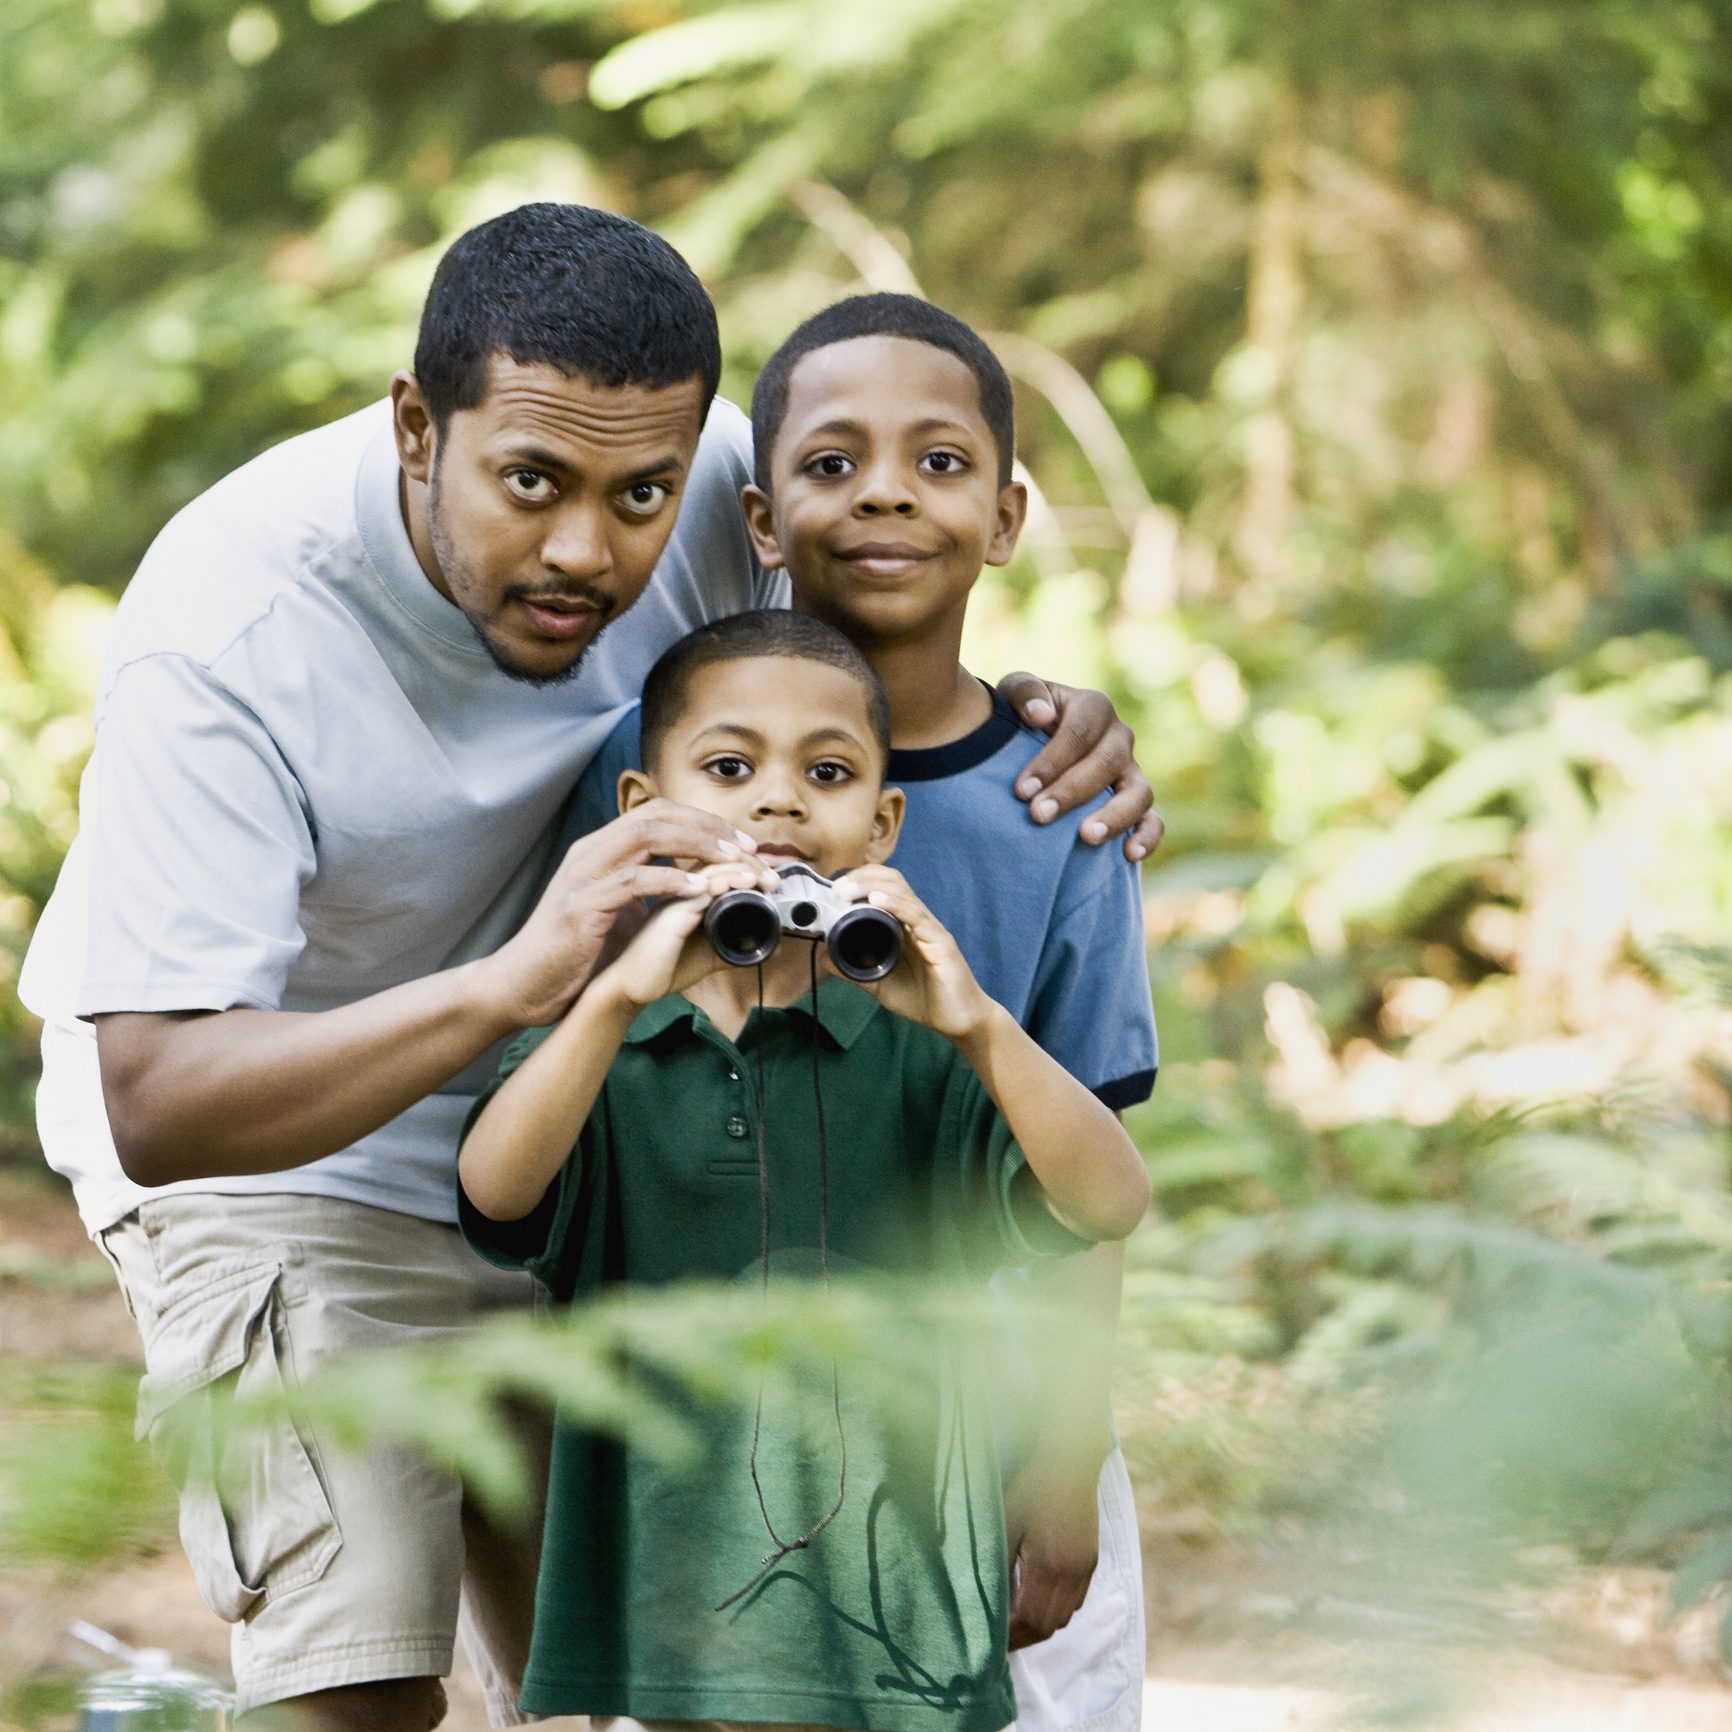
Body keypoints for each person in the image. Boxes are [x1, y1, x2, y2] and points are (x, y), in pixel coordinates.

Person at [18, 203, 1161, 1732]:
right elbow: (158, 1091)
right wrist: (522, 980)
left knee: (657, 1678)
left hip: (615, 1147)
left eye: (642, 494)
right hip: (296, 1156)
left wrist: (1042, 723)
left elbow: (865, 649)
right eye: (532, 483)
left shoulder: (706, 481)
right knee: (357, 1689)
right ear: (418, 427)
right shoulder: (234, 623)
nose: (587, 549)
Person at [564, 294, 1156, 1732]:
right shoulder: (649, 789)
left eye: (939, 463)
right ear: (762, 518)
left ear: (1008, 516)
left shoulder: (1053, 810)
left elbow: (1093, 1184)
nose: (886, 489)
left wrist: (1067, 1462)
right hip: (719, 1430)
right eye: (834, 465)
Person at [458, 609, 1154, 1730]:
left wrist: (979, 1028)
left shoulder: (925, 1057)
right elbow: (497, 1195)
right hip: (668, 1633)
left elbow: (1112, 1198)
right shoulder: (601, 1055)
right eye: (729, 767)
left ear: (883, 825)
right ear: (643, 809)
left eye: (825, 773)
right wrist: (620, 995)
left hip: (900, 1634)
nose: (778, 801)